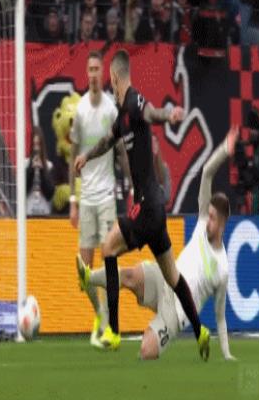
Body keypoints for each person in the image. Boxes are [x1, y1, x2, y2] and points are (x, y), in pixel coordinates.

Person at [74, 50, 209, 359]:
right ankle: (200, 330)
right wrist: (86, 156)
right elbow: (107, 141)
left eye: (109, 79)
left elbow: (151, 113)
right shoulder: (122, 115)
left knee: (108, 247)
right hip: (156, 210)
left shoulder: (134, 101)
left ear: (114, 77)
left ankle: (114, 330)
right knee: (172, 276)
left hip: (147, 204)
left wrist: (168, 114)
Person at [79, 128, 239, 361]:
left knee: (147, 351)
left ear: (223, 223)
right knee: (129, 275)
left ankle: (155, 331)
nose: (208, 220)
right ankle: (88, 277)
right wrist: (225, 148)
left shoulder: (222, 268)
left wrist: (227, 354)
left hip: (177, 312)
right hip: (166, 280)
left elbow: (220, 317)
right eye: (209, 215)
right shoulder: (202, 223)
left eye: (213, 218)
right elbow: (206, 173)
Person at [69, 50, 129, 348]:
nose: (93, 74)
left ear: (103, 72)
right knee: (83, 272)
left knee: (109, 261)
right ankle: (101, 312)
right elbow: (73, 155)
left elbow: (121, 150)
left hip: (106, 195)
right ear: (86, 73)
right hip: (86, 197)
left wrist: (130, 188)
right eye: (89, 69)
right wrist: (72, 199)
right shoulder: (80, 110)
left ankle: (111, 326)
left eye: (97, 69)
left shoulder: (110, 109)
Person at [26, 126, 54, 216]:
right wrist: (31, 170)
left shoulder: (49, 166)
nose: (36, 148)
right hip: (28, 213)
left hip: (44, 213)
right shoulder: (25, 164)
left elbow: (50, 194)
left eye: (38, 144)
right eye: (34, 145)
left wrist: (42, 171)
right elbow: (22, 191)